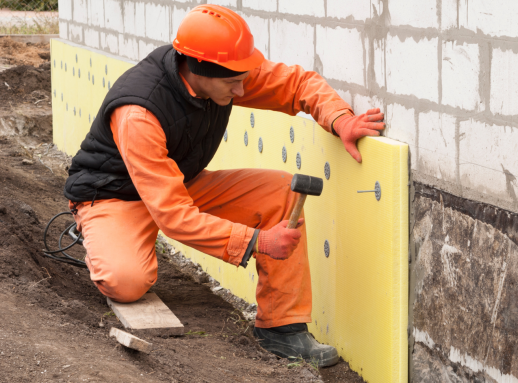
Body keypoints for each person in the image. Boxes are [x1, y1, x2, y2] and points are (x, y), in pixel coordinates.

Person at [63, 4, 384, 367]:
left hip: (178, 183)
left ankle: (283, 329)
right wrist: (258, 242)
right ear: (198, 69)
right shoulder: (140, 112)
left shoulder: (225, 71)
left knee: (282, 192)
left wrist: (340, 119)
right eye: (234, 83)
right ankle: (100, 234)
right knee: (126, 281)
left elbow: (297, 84)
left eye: (243, 77)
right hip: (114, 196)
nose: (244, 88)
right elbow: (174, 216)